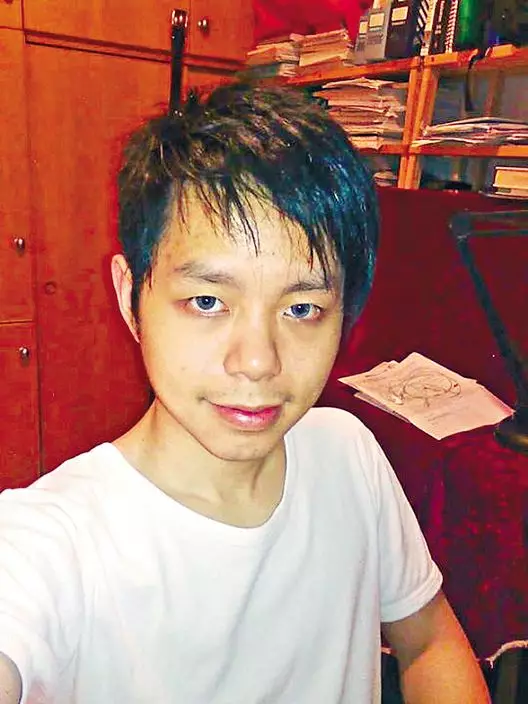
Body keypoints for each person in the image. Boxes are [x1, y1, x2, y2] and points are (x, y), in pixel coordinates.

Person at [0, 83, 489, 704]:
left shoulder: (347, 453)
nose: (258, 361)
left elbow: (429, 642)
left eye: (303, 308)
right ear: (130, 297)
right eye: (207, 301)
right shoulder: (51, 543)